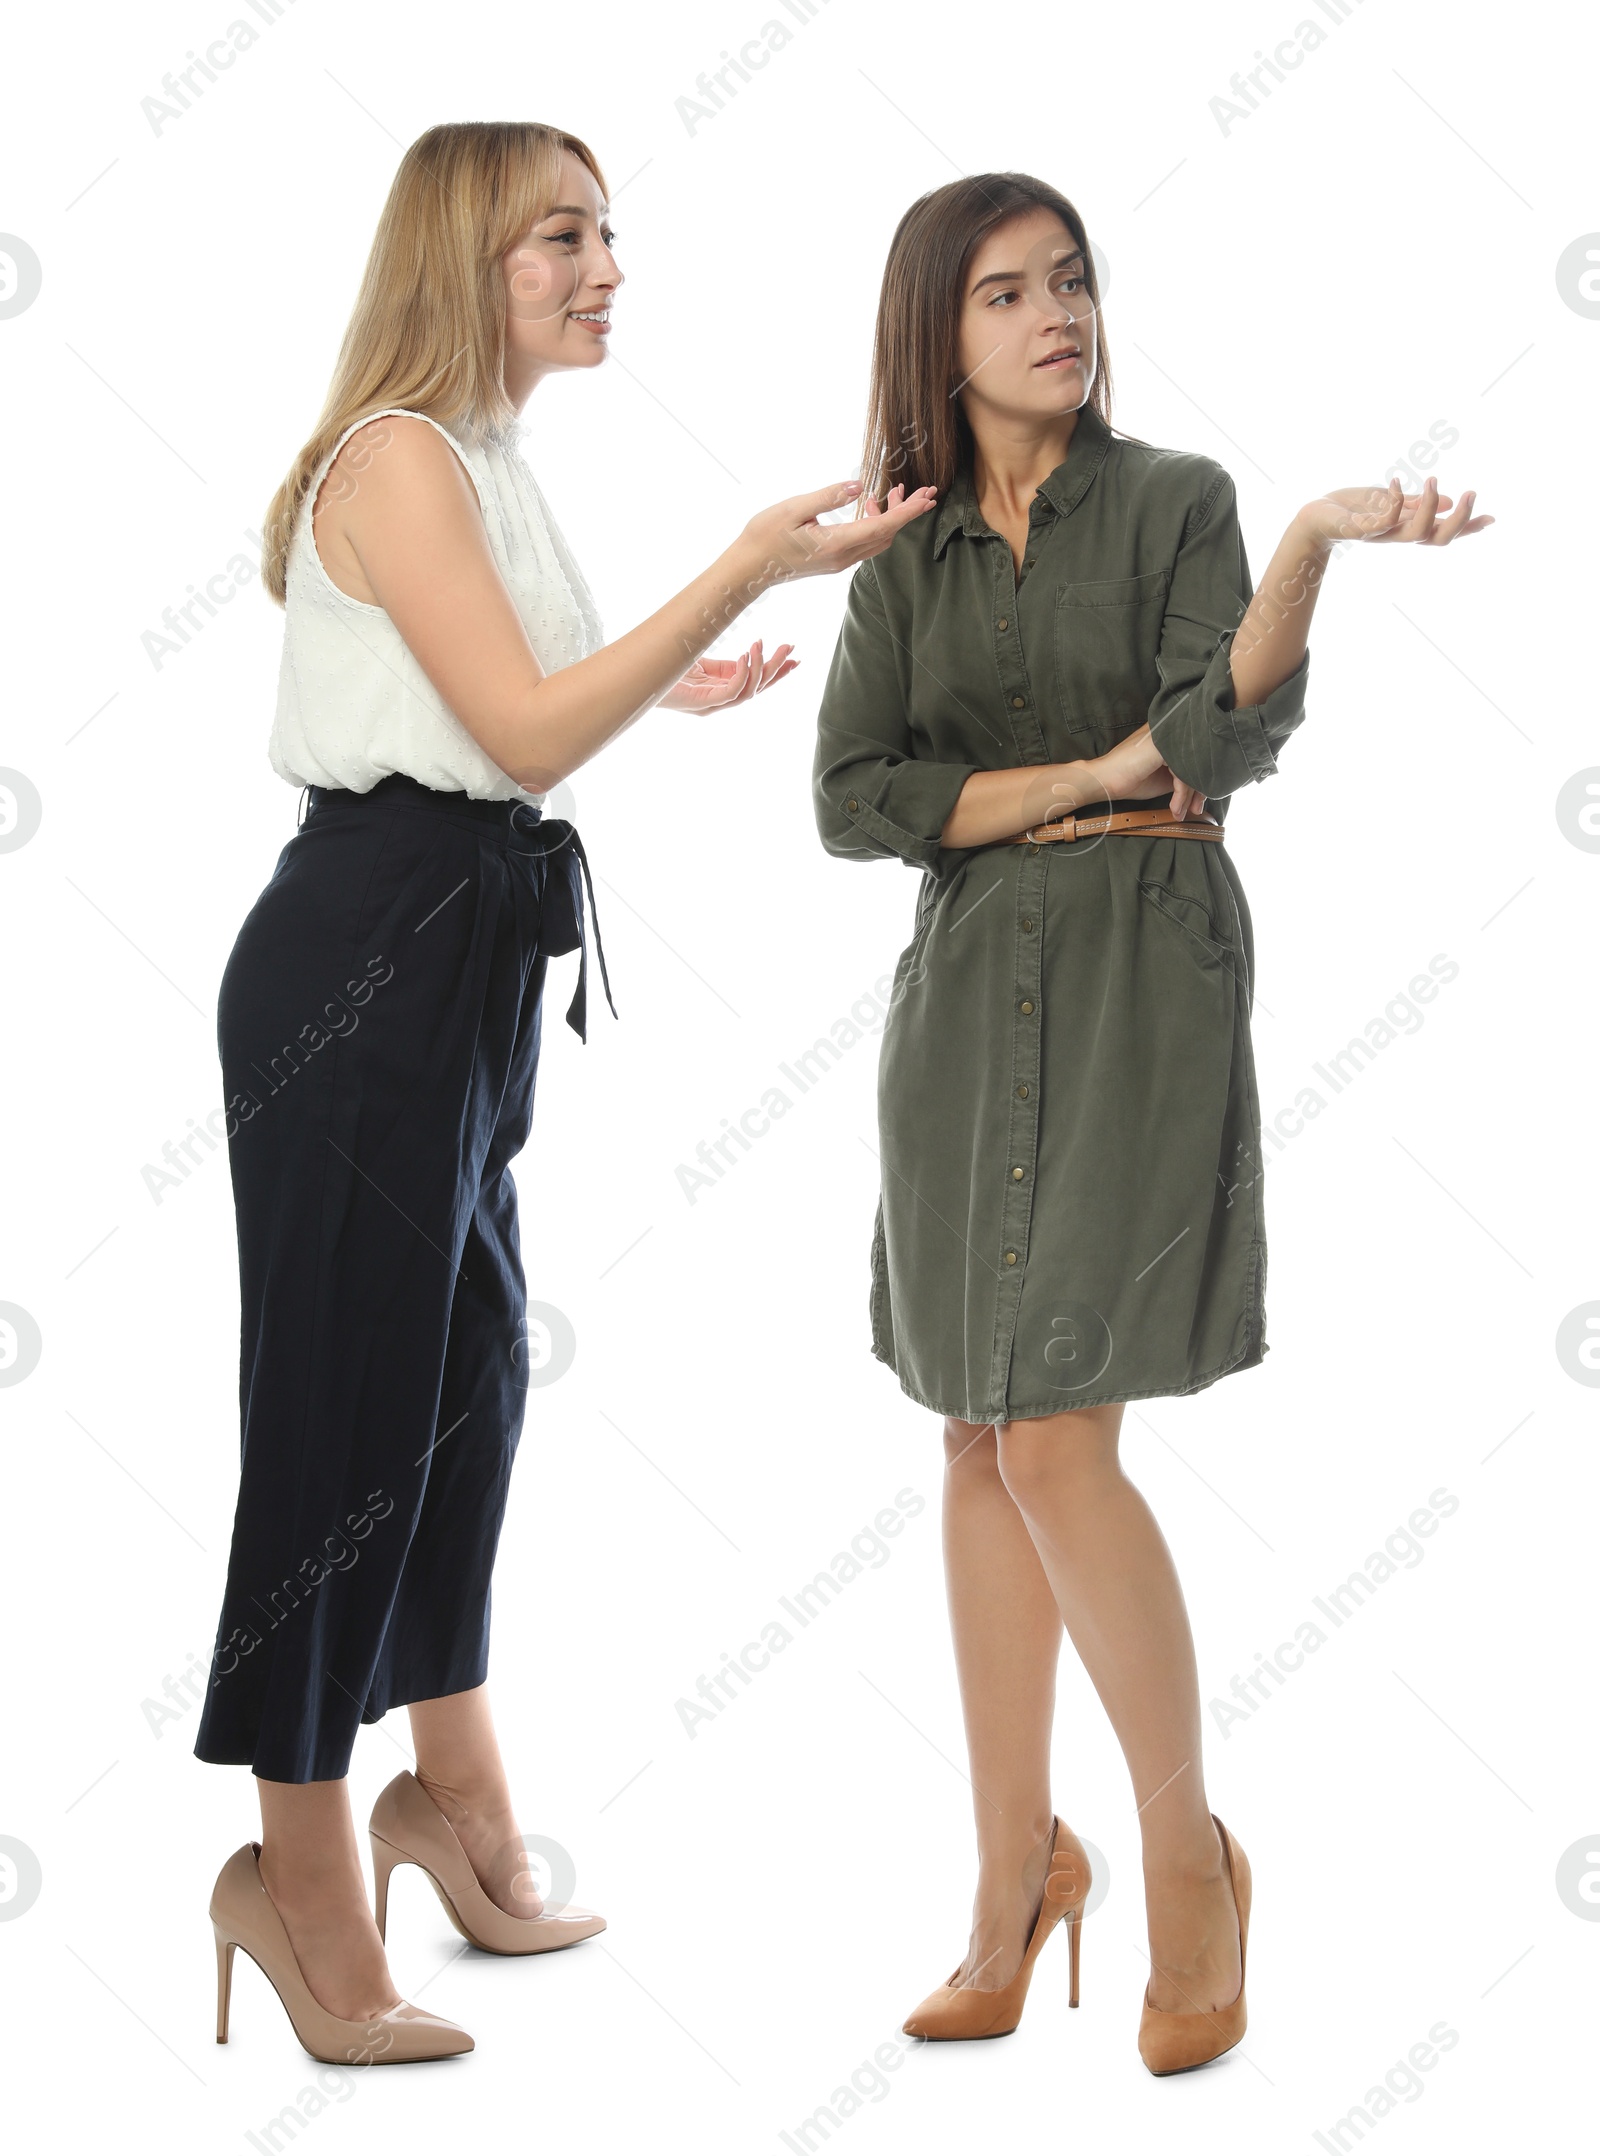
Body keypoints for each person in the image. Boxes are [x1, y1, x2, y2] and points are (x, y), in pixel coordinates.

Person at [199, 118, 936, 2068]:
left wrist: (679, 668)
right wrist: (731, 571)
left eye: (607, 233)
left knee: (467, 1377)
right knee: (341, 1411)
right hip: (363, 948)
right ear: (463, 257)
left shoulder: (488, 462)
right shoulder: (397, 459)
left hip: (461, 945)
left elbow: (518, 687)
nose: (603, 267)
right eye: (559, 239)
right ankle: (291, 1864)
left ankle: (444, 1791)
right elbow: (520, 723)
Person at [812, 171, 1491, 2072]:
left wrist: (1308, 548)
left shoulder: (1181, 502)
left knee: (1053, 1437)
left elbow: (1224, 732)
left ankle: (1186, 1861)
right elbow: (856, 796)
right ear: (936, 333)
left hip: (1138, 981)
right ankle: (1015, 1876)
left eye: (1077, 284)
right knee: (973, 1436)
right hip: (962, 1010)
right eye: (1011, 293)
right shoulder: (903, 560)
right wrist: (1089, 775)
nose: (1059, 317)